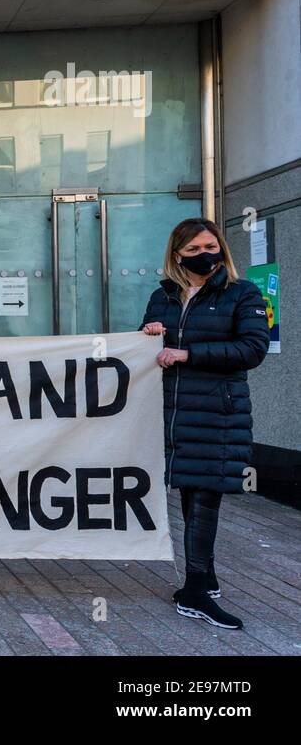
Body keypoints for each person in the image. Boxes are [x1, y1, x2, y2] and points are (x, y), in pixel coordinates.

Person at [140, 217, 269, 630]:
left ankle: (195, 588)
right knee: (192, 494)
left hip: (219, 414)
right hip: (175, 414)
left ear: (222, 249)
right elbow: (144, 349)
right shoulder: (163, 297)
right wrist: (149, 334)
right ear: (177, 255)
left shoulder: (242, 294)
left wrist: (187, 354)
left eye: (209, 246)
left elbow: (251, 348)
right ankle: (204, 579)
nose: (203, 255)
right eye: (193, 250)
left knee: (206, 496)